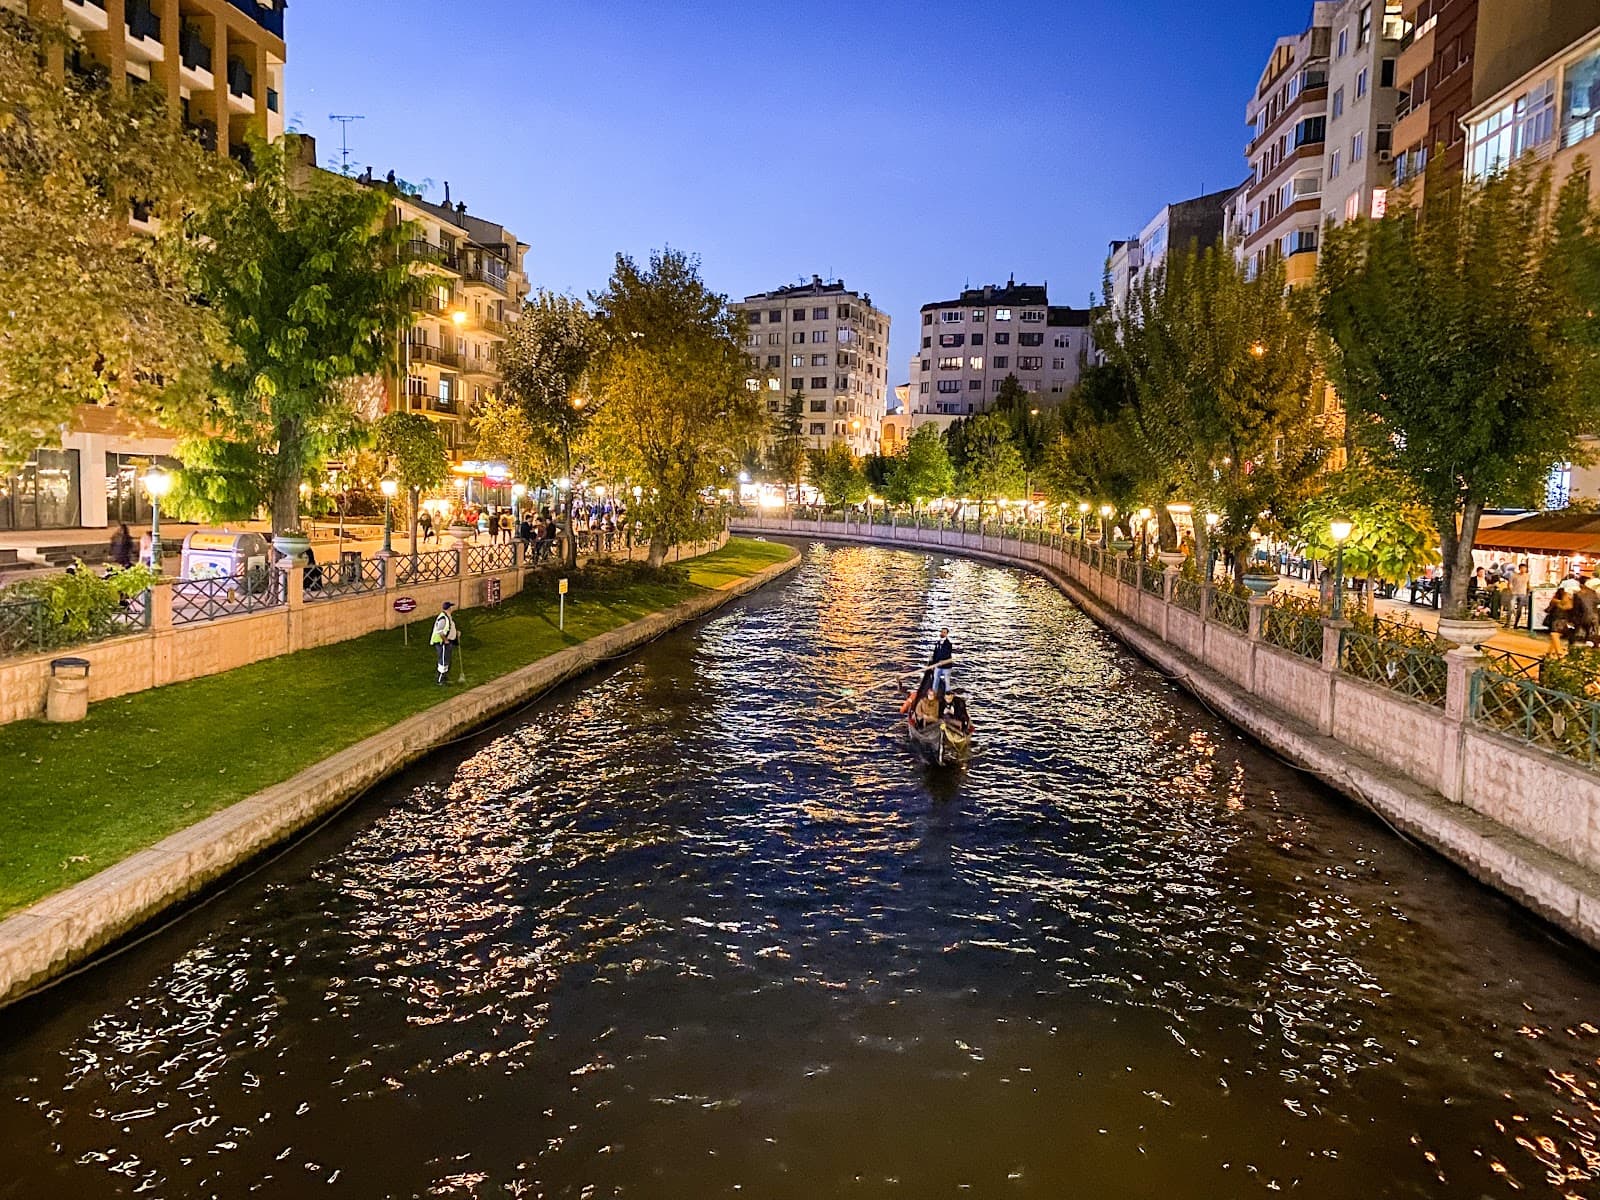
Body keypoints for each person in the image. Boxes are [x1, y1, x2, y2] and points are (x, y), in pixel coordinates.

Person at [431, 600, 459, 685]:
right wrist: (445, 640)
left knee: (447, 660)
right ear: (449, 608)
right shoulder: (443, 618)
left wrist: (456, 632)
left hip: (447, 642)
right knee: (443, 660)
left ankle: (444, 676)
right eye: (451, 607)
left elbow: (449, 628)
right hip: (442, 643)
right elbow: (440, 631)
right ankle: (440, 680)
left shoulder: (448, 616)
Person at [1546, 585, 1575, 655]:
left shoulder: (1555, 601)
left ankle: (1559, 652)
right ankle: (1548, 653)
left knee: (1554, 635)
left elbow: (1549, 609)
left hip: (1556, 620)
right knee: (1555, 636)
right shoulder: (1570, 602)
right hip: (1565, 620)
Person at [930, 627, 954, 691]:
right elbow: (935, 654)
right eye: (942, 632)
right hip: (938, 666)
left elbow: (947, 654)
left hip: (946, 667)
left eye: (944, 632)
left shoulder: (949, 644)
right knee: (935, 680)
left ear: (946, 634)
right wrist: (933, 664)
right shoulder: (937, 643)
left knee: (947, 681)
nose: (942, 633)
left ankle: (947, 694)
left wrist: (942, 661)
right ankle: (934, 693)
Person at [1510, 563, 1531, 631]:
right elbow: (1509, 583)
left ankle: (1516, 623)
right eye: (1522, 568)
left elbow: (1528, 584)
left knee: (1519, 609)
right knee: (1511, 607)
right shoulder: (1514, 575)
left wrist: (1529, 590)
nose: (1523, 570)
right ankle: (1508, 622)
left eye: (1524, 568)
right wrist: (1511, 590)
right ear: (1519, 569)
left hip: (1523, 593)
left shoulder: (1527, 576)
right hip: (1514, 593)